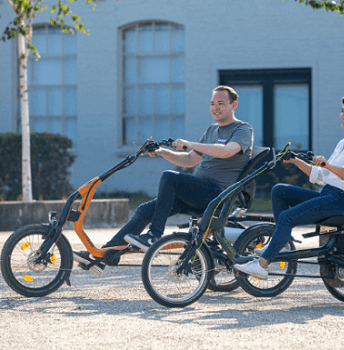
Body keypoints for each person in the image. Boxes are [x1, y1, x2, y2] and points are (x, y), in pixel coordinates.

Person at [73, 85, 253, 274]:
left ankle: (154, 235)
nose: (215, 107)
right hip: (200, 193)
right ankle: (102, 256)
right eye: (212, 103)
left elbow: (227, 151)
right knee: (144, 210)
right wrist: (163, 153)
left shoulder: (242, 129)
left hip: (217, 195)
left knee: (170, 177)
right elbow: (191, 159)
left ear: (234, 105)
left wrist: (190, 143)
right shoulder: (212, 130)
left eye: (221, 103)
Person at [234, 93, 344, 280]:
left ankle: (262, 264)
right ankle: (283, 243)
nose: (343, 115)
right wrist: (295, 161)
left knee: (286, 217)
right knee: (280, 191)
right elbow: (320, 176)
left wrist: (327, 165)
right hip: (329, 195)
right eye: (342, 111)